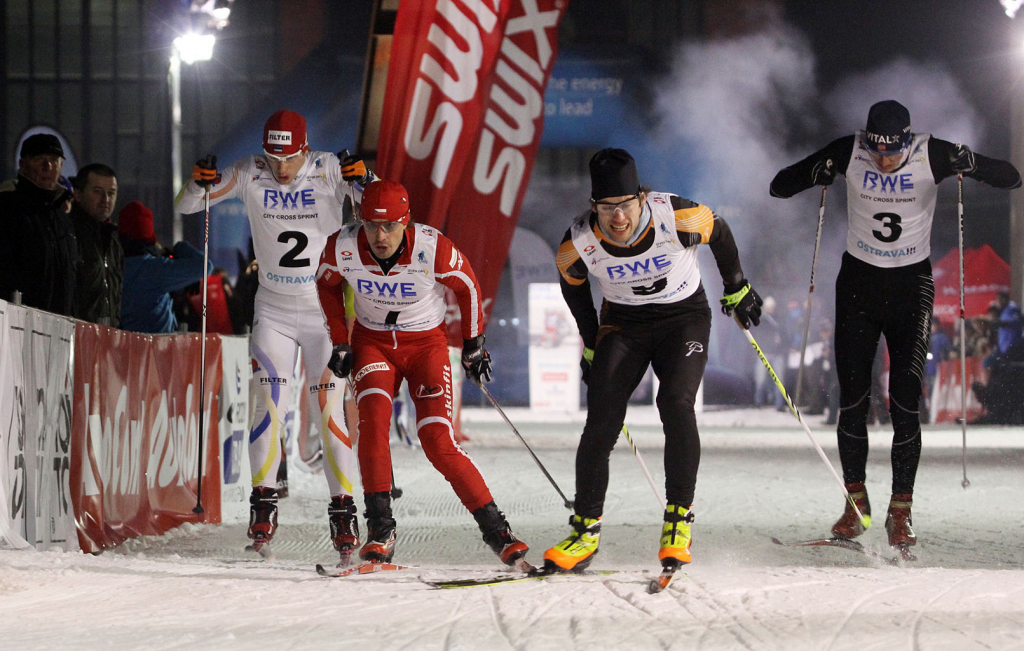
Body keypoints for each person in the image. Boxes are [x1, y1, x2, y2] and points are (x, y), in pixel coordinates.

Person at [769, 99, 1021, 550]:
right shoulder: (850, 150)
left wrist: (974, 164)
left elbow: (1011, 176)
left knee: (906, 398)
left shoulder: (932, 152)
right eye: (878, 151)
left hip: (911, 285)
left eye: (893, 152)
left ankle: (900, 511)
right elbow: (779, 186)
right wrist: (817, 172)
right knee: (852, 397)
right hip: (859, 284)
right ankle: (856, 502)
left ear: (908, 139)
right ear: (867, 139)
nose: (884, 161)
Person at [545, 148, 763, 574]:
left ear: (641, 198)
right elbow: (574, 291)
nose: (618, 218)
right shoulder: (577, 243)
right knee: (601, 418)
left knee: (675, 404)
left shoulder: (677, 215)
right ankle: (584, 533)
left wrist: (736, 286)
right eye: (607, 208)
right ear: (594, 207)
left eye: (625, 205)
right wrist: (591, 345)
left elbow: (719, 230)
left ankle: (678, 522)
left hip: (683, 318)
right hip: (624, 325)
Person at [174, 109, 376, 562]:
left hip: (325, 311)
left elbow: (376, 204)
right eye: (273, 157)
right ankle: (263, 506)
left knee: (329, 410)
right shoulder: (250, 170)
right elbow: (188, 204)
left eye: (288, 159)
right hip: (274, 309)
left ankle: (343, 510)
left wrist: (364, 176)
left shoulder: (327, 167)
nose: (281, 169)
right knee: (267, 407)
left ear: (305, 149)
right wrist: (198, 182)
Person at [315, 179, 530, 568]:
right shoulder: (342, 246)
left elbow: (467, 285)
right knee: (374, 423)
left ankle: (499, 533)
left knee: (436, 438)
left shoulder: (432, 248)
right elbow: (327, 284)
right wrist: (340, 341)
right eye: (371, 226)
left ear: (406, 222)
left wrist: (474, 342)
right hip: (373, 343)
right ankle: (381, 532)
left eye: (390, 226)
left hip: (425, 345)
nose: (380, 236)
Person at [0, 133, 78, 315]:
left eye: (53, 159)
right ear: (22, 164)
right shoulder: (7, 209)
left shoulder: (63, 219)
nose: (47, 166)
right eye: (39, 159)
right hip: (16, 331)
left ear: (61, 166)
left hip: (60, 333)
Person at [118, 201, 211, 333]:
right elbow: (205, 265)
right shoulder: (154, 269)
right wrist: (178, 248)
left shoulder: (116, 267)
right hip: (157, 349)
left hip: (125, 346)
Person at [70, 163, 123, 326]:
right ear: (78, 194)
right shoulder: (70, 234)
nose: (105, 200)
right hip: (75, 337)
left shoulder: (113, 241)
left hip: (106, 340)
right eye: (97, 192)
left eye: (111, 193)